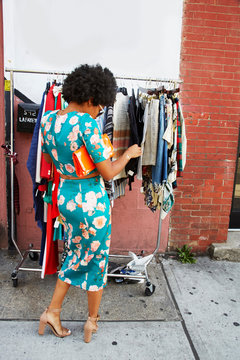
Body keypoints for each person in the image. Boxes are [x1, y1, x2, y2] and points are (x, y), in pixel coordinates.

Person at [38, 64, 142, 343]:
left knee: (73, 254)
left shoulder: (49, 119)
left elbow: (49, 161)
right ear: (89, 98)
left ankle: (52, 312)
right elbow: (108, 172)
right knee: (96, 261)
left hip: (66, 198)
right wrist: (129, 154)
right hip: (91, 203)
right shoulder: (85, 123)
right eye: (99, 105)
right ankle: (91, 322)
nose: (99, 111)